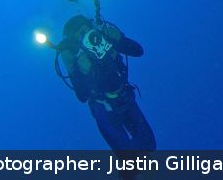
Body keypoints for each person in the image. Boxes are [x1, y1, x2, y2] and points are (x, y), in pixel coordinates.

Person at [58, 15, 156, 158]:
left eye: (86, 30)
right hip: (102, 106)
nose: (86, 36)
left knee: (149, 145)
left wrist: (120, 39)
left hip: (125, 97)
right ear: (75, 41)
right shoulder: (80, 60)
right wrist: (85, 72)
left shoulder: (105, 40)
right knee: (126, 155)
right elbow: (82, 96)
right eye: (80, 34)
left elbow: (138, 51)